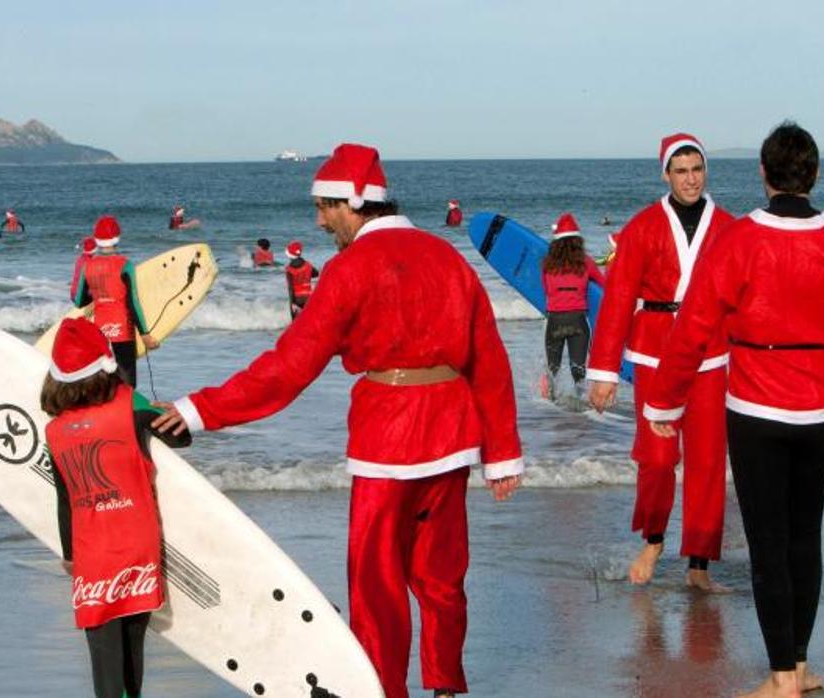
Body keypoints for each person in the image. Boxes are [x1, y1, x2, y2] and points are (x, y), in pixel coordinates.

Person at [151, 143, 523, 698]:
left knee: (376, 585)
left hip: (387, 440)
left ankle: (383, 689)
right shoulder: (447, 257)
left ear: (355, 202)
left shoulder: (351, 268)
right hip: (451, 437)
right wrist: (502, 453)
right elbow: (489, 358)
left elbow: (288, 369)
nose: (320, 220)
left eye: (326, 207)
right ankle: (446, 687)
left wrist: (197, 410)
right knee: (442, 577)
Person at [644, 122, 824, 698]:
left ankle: (781, 677)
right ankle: (799, 669)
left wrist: (665, 399)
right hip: (819, 412)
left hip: (755, 408)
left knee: (768, 544)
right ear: (815, 174)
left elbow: (694, 329)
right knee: (805, 538)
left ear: (762, 174)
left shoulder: (736, 241)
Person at [586, 132, 733, 591]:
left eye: (697, 169)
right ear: (666, 174)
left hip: (711, 354)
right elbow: (617, 301)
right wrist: (604, 372)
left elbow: (745, 299)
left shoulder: (729, 227)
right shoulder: (643, 227)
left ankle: (699, 566)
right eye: (681, 170)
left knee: (709, 460)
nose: (691, 179)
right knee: (656, 456)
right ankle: (652, 541)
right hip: (654, 352)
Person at [41, 317, 191, 698]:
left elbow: (65, 501)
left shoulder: (55, 432)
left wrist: (71, 556)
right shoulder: (132, 407)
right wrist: (163, 413)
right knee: (132, 644)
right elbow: (182, 439)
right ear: (105, 364)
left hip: (93, 553)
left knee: (104, 654)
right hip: (137, 544)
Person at [73, 216, 160, 387]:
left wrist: (96, 299)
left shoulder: (87, 266)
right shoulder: (125, 265)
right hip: (123, 332)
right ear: (117, 238)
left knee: (105, 384)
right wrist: (145, 334)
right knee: (126, 384)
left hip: (99, 334)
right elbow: (133, 302)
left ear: (97, 240)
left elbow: (79, 301)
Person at [540, 212, 606, 400]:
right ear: (577, 241)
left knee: (553, 369)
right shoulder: (586, 262)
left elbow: (546, 291)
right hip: (578, 321)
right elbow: (604, 286)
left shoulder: (547, 264)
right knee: (579, 371)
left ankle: (550, 407)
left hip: (554, 321)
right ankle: (581, 409)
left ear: (556, 242)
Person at [283, 240, 319, 320]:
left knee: (296, 322)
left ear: (289, 255)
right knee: (309, 320)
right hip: (309, 298)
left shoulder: (289, 269)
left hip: (297, 299)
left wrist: (292, 303)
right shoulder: (308, 265)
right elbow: (316, 274)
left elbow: (290, 288)